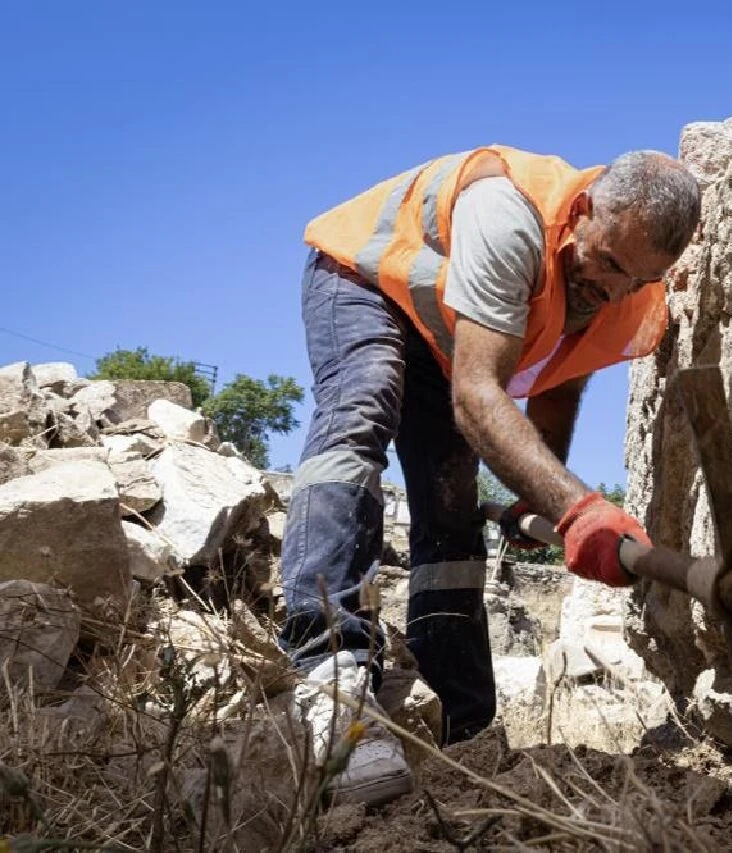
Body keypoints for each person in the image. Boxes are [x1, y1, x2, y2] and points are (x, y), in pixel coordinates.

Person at [277, 145, 701, 805]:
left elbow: (555, 386)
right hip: (363, 282)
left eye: (637, 280)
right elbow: (479, 395)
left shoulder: (620, 288)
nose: (616, 289)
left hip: (441, 334)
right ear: (584, 211)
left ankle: (463, 720)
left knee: (452, 496)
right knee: (362, 406)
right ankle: (327, 674)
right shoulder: (509, 216)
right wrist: (577, 509)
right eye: (611, 263)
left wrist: (539, 496)